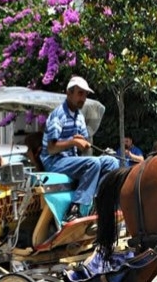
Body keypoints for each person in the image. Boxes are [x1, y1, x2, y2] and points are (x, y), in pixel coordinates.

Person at [41, 76, 119, 222]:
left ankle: (97, 202)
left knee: (112, 162)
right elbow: (51, 149)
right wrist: (73, 143)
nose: (83, 98)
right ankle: (76, 208)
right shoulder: (59, 115)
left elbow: (84, 148)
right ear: (69, 93)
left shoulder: (79, 117)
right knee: (93, 163)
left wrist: (84, 144)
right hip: (54, 161)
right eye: (80, 93)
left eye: (85, 94)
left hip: (71, 160)